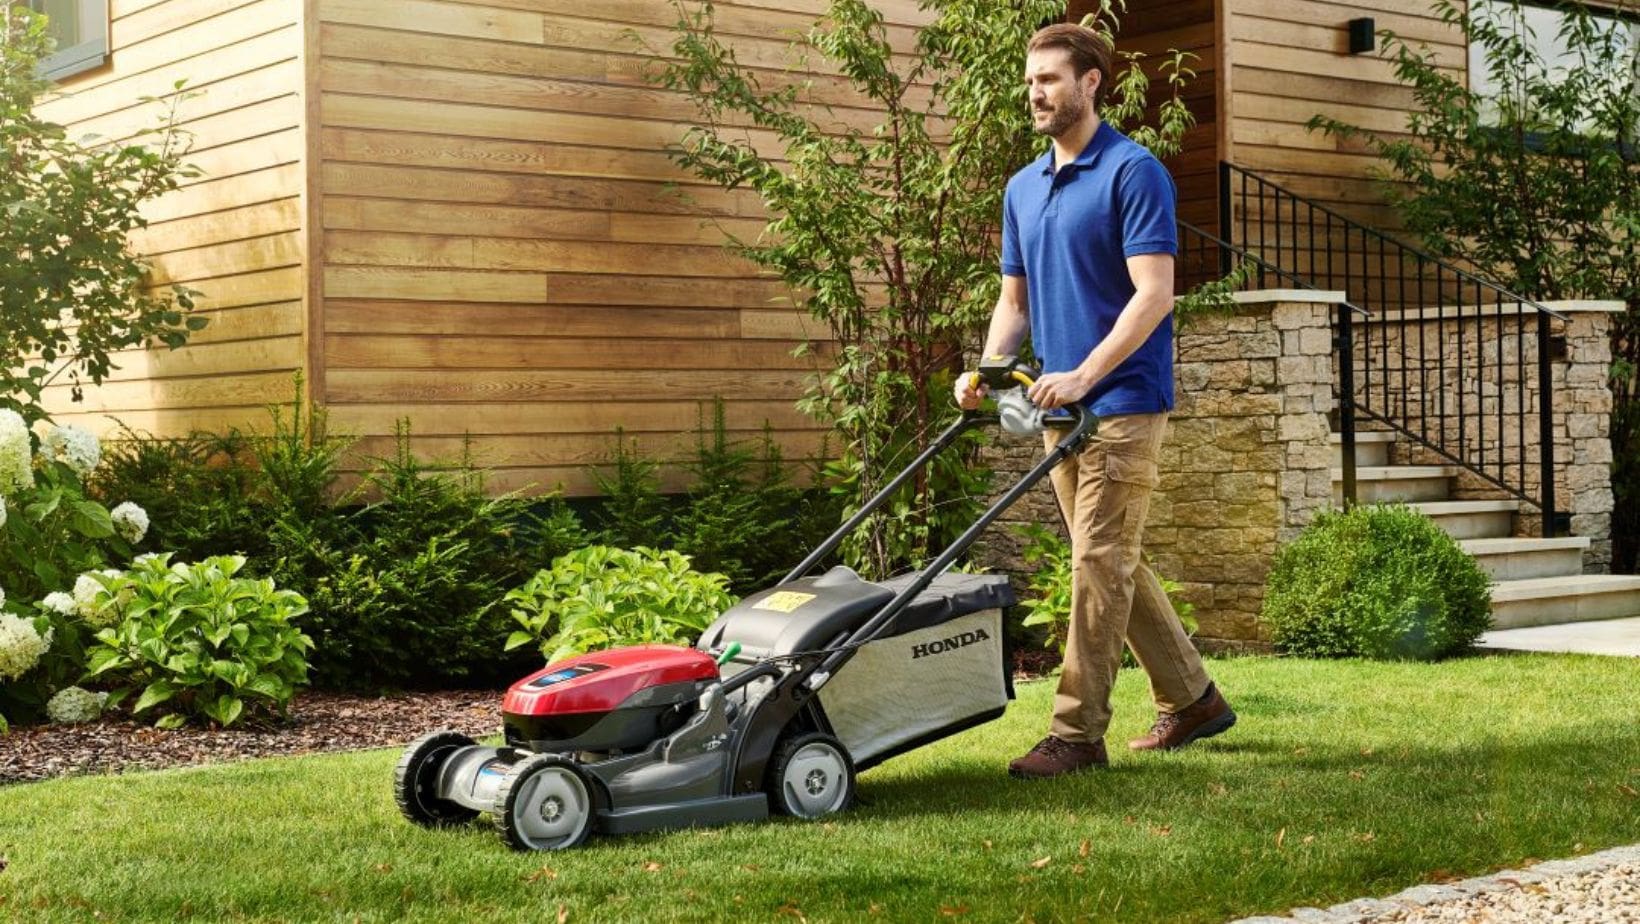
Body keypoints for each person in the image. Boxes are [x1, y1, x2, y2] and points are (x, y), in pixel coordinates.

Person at [955, 22, 1235, 779]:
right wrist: (990, 366)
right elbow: (1014, 301)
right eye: (1030, 82)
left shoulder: (1132, 171)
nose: (1036, 94)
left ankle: (1077, 733)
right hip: (1057, 408)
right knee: (1108, 558)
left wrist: (1086, 372)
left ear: (1090, 83)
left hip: (1123, 401)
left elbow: (1155, 296)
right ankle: (1195, 697)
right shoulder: (1023, 186)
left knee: (1098, 559)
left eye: (1049, 79)